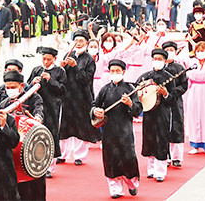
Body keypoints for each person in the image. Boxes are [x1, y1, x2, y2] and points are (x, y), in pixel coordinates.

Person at [91, 59, 141, 199]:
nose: (114, 73)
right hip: (108, 132)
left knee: (128, 158)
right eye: (112, 71)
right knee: (111, 159)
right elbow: (94, 104)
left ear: (123, 72)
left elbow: (138, 110)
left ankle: (132, 183)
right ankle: (115, 188)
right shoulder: (105, 89)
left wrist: (130, 103)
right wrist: (96, 111)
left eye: (117, 71)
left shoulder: (130, 89)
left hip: (125, 131)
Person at [59, 30, 100, 165]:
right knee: (65, 126)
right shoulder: (68, 54)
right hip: (67, 96)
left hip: (82, 97)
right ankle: (62, 154)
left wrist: (76, 67)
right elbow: (61, 77)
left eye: (81, 41)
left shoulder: (89, 59)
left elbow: (87, 79)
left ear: (86, 43)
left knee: (81, 126)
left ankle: (80, 156)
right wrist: (62, 68)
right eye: (76, 40)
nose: (78, 43)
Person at [136, 48, 175, 182]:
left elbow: (172, 98)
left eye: (160, 59)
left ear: (164, 61)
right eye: (155, 59)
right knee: (149, 138)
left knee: (161, 138)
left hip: (162, 112)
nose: (157, 61)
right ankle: (151, 168)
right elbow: (136, 90)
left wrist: (165, 94)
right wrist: (140, 94)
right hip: (149, 112)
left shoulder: (169, 77)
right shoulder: (145, 76)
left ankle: (160, 170)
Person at [27, 47, 67, 174]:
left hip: (52, 106)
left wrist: (51, 80)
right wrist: (32, 82)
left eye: (48, 60)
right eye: (43, 59)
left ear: (54, 59)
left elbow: (63, 89)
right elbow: (26, 87)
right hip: (38, 105)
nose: (45, 62)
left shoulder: (60, 71)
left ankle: (50, 165)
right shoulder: (36, 70)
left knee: (51, 133)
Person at [161, 41, 189, 167]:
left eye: (171, 49)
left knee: (176, 127)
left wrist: (172, 93)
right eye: (166, 50)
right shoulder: (159, 69)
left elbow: (184, 85)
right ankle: (164, 156)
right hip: (162, 102)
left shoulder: (179, 68)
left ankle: (176, 157)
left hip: (175, 101)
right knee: (163, 128)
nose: (169, 52)